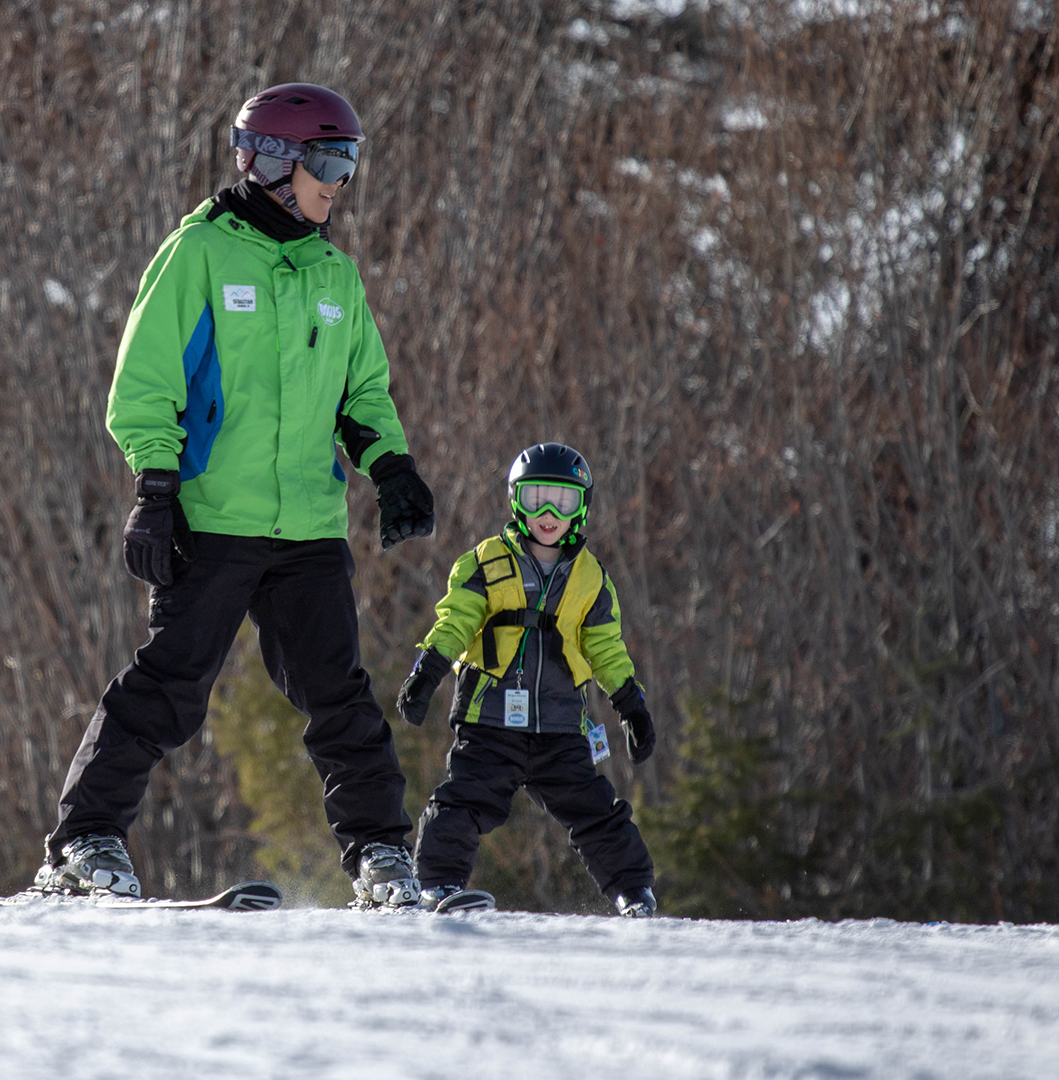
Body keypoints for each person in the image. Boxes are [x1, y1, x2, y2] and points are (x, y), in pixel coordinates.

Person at [37, 83, 437, 908]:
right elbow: (144, 386)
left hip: (309, 525)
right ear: (276, 162)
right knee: (171, 684)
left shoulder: (334, 274)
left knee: (340, 699)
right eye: (331, 162)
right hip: (213, 517)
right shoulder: (200, 254)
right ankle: (83, 841)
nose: (341, 182)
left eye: (349, 164)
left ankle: (380, 857)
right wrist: (155, 490)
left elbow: (362, 392)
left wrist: (391, 467)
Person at [395, 443, 659, 916]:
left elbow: (605, 647)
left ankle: (633, 892)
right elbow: (457, 620)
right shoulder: (487, 561)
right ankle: (438, 884)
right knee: (465, 801)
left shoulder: (590, 578)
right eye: (536, 499)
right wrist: (428, 670)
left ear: (581, 507)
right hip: (490, 719)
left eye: (563, 501)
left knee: (595, 809)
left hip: (559, 725)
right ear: (516, 500)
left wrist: (630, 705)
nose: (549, 515)